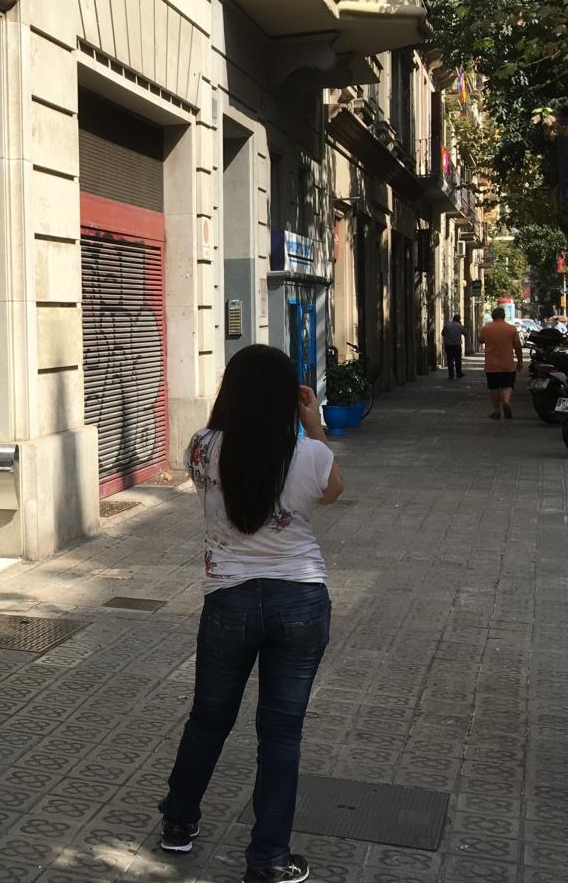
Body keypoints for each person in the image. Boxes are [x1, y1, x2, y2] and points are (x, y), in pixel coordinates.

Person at [158, 344, 344, 883]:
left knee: (208, 718)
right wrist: (315, 424)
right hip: (301, 601)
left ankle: (177, 823)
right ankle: (268, 859)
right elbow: (332, 493)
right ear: (288, 397)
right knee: (281, 735)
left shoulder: (202, 447)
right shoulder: (309, 453)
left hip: (229, 599)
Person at [478, 307, 523, 419]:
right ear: (504, 316)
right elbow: (517, 346)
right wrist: (520, 361)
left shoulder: (486, 328)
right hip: (507, 364)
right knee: (508, 385)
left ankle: (497, 411)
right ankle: (506, 402)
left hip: (491, 365)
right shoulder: (511, 329)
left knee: (494, 388)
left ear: (493, 316)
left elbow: (480, 340)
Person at [441, 314, 467, 379]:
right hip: (457, 345)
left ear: (453, 318)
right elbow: (465, 333)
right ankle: (459, 373)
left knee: (450, 360)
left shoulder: (446, 325)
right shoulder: (460, 326)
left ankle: (451, 375)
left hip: (448, 345)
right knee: (458, 360)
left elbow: (443, 334)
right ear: (459, 319)